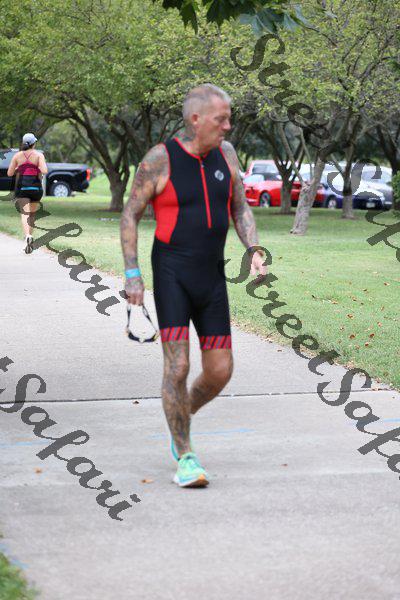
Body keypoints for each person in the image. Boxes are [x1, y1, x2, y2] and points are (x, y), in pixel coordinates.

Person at [120, 84, 267, 488]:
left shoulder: (227, 154)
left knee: (220, 371)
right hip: (172, 274)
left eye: (229, 118)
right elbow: (130, 214)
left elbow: (240, 206)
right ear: (196, 119)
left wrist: (254, 248)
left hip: (211, 276)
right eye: (222, 119)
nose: (228, 125)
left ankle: (179, 417)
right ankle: (185, 455)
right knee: (179, 366)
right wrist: (133, 274)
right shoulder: (160, 159)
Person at [7, 133, 48, 254]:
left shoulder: (17, 156)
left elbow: (9, 173)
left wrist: (19, 168)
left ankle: (27, 237)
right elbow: (44, 170)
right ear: (34, 143)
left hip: (23, 188)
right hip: (36, 188)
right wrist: (35, 167)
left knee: (25, 213)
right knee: (32, 214)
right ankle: (29, 240)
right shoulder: (39, 155)